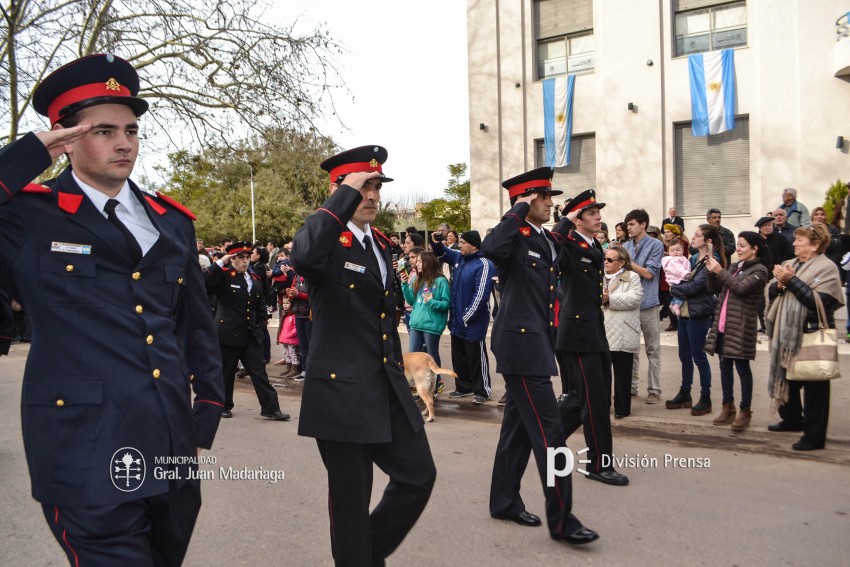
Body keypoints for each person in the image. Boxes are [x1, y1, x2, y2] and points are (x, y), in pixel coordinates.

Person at [0, 54, 224, 565]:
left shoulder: (171, 221)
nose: (124, 143)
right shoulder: (27, 217)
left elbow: (193, 324)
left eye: (131, 130)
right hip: (83, 452)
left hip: (168, 448)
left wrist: (206, 412)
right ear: (66, 137)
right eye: (104, 130)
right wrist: (31, 152)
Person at [290, 145, 436, 566]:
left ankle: (363, 555)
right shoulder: (326, 242)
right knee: (351, 502)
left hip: (385, 385)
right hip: (340, 393)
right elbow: (303, 256)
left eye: (376, 186)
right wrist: (341, 198)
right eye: (362, 187)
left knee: (418, 475)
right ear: (338, 192)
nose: (372, 195)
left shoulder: (380, 244)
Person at [482, 166, 598, 545]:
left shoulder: (542, 237)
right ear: (528, 199)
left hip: (535, 345)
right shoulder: (513, 236)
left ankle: (503, 501)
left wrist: (566, 217)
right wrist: (516, 209)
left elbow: (558, 238)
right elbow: (491, 249)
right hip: (521, 348)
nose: (551, 202)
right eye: (545, 197)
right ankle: (562, 520)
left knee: (516, 432)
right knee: (551, 437)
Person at [555, 189, 629, 487]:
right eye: (591, 213)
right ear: (577, 219)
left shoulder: (594, 246)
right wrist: (564, 221)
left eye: (598, 213)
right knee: (594, 401)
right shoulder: (569, 245)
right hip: (577, 334)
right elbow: (551, 249)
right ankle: (598, 464)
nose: (599, 217)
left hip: (593, 331)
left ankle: (543, 439)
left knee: (580, 399)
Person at [765, 223, 844, 451]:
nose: (795, 243)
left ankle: (814, 437)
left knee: (814, 387)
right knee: (788, 378)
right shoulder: (792, 264)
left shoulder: (827, 268)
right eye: (796, 239)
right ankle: (791, 420)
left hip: (811, 332)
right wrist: (779, 285)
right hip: (788, 333)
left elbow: (818, 301)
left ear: (816, 244)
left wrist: (790, 281)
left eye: (800, 240)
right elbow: (771, 292)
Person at [205, 241, 290, 421]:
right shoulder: (224, 276)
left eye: (247, 257)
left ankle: (270, 408)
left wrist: (261, 323)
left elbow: (260, 302)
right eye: (240, 258)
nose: (245, 261)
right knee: (226, 372)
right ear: (232, 259)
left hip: (250, 334)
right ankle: (223, 405)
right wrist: (220, 262)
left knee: (259, 372)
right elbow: (202, 281)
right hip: (228, 333)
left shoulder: (254, 278)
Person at [704, 232, 769, 431]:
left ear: (754, 249)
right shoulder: (733, 267)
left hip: (741, 325)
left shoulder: (760, 270)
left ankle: (745, 410)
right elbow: (715, 288)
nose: (738, 249)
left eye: (742, 246)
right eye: (738, 245)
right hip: (725, 324)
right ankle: (727, 406)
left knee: (742, 368)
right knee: (725, 366)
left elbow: (740, 288)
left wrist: (720, 271)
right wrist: (711, 271)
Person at [667, 224, 726, 416]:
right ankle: (685, 393)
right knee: (684, 355)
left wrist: (673, 290)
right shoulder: (692, 258)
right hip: (685, 311)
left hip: (699, 312)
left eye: (698, 235)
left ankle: (705, 397)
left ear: (708, 241)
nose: (693, 237)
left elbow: (696, 287)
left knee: (698, 357)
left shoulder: (712, 260)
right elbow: (683, 280)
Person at [432, 230, 496, 404]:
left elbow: (481, 295)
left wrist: (467, 316)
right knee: (459, 356)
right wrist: (437, 243)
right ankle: (463, 387)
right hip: (457, 320)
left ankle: (482, 391)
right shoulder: (460, 258)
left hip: (473, 321)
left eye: (463, 243)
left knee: (476, 357)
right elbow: (442, 253)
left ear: (474, 245)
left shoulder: (484, 264)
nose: (459, 246)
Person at [623, 209, 665, 403]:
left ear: (643, 225)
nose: (628, 228)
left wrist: (626, 263)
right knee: (631, 349)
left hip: (648, 303)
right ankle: (631, 387)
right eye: (627, 225)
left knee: (652, 349)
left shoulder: (656, 244)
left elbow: (649, 273)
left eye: (632, 224)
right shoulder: (625, 246)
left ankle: (654, 390)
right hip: (629, 304)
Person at [602, 244, 644, 419]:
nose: (606, 262)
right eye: (605, 259)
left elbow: (635, 298)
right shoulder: (600, 277)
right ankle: (603, 408)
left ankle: (622, 409)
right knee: (603, 376)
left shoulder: (632, 277)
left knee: (623, 375)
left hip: (624, 332)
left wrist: (609, 299)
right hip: (603, 332)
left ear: (622, 262)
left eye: (610, 260)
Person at [400, 250, 450, 396]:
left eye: (420, 261)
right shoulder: (418, 279)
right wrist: (404, 285)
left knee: (431, 355)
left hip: (431, 325)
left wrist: (432, 302)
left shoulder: (441, 281)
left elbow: (446, 304)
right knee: (413, 357)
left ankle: (435, 386)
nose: (416, 264)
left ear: (428, 263)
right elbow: (410, 301)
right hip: (416, 323)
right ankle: (419, 387)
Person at [662, 240, 692, 319]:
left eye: (678, 250)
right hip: (677, 279)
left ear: (683, 250)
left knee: (678, 294)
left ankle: (672, 304)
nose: (675, 252)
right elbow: (678, 269)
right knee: (682, 294)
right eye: (672, 251)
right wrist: (686, 274)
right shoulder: (673, 260)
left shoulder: (681, 258)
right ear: (668, 252)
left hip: (678, 279)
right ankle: (677, 305)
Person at [810, 206, 843, 271]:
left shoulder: (833, 230)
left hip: (828, 264)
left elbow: (836, 246)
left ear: (825, 217)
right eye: (816, 214)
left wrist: (825, 235)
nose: (819, 216)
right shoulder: (807, 230)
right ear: (812, 217)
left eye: (822, 214)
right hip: (811, 263)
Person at [275, 296, 300, 378]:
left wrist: (290, 334)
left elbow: (296, 327)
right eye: (284, 303)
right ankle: (288, 367)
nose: (285, 305)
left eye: (287, 303)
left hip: (291, 338)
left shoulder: (293, 315)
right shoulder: (284, 314)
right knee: (286, 353)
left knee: (292, 353)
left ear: (291, 304)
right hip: (284, 338)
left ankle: (294, 368)